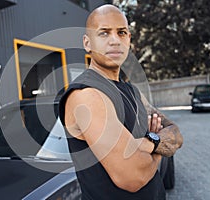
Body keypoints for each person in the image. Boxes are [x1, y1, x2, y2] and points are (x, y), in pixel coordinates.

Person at [59, 4, 183, 200]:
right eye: (104, 33)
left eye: (122, 32)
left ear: (129, 40)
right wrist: (156, 144)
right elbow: (133, 176)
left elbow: (176, 133)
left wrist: (146, 143)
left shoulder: (132, 91)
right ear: (87, 42)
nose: (115, 40)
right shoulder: (86, 95)